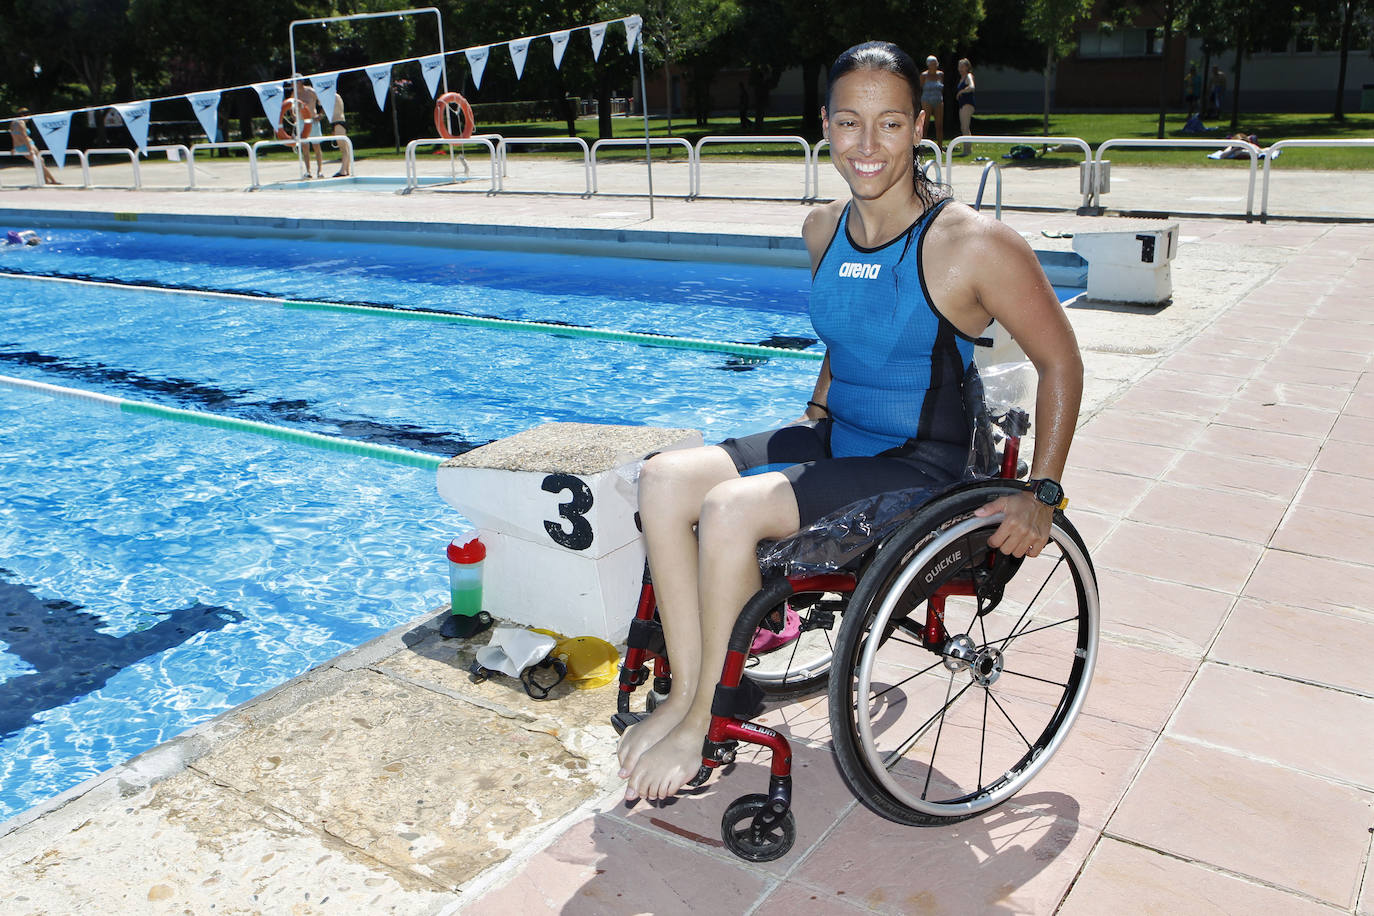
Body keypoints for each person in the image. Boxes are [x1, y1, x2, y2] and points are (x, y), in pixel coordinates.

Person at [617, 39, 1084, 803]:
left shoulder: (970, 244)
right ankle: (685, 695)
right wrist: (814, 414)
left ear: (920, 126)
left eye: (890, 125)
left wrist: (1046, 493)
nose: (868, 147)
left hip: (923, 462)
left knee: (732, 509)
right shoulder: (822, 229)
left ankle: (708, 717)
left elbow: (1061, 362)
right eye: (850, 124)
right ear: (826, 126)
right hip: (840, 434)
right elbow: (850, 331)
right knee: (666, 478)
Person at [8, 110, 59, 185]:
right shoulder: (21, 122)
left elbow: (13, 136)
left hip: (19, 146)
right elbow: (24, 136)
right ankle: (53, 181)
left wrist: (14, 147)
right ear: (23, 115)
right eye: (28, 116)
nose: (28, 118)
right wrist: (30, 149)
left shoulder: (12, 123)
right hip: (27, 144)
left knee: (39, 162)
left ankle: (46, 180)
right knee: (40, 161)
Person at [288, 76, 324, 178]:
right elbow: (289, 106)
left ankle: (320, 170)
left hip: (312, 120)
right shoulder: (294, 94)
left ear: (300, 82)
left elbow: (322, 102)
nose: (292, 85)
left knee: (316, 146)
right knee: (305, 147)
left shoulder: (311, 91)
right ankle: (308, 171)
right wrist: (293, 116)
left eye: (294, 82)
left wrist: (321, 114)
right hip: (301, 121)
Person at [919, 55, 945, 147]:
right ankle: (922, 145)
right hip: (927, 100)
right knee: (925, 124)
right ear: (928, 65)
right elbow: (921, 87)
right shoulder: (924, 76)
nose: (934, 65)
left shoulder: (940, 74)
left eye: (935, 63)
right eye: (931, 64)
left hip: (938, 100)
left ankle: (940, 147)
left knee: (939, 125)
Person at [326, 90, 351, 177]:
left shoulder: (335, 96)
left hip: (338, 122)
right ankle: (346, 169)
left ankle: (343, 170)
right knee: (344, 148)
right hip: (336, 122)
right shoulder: (334, 97)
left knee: (344, 149)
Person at [954, 58, 976, 156]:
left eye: (962, 66)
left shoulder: (968, 76)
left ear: (967, 67)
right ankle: (967, 149)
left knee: (965, 127)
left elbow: (972, 87)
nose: (960, 69)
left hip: (968, 104)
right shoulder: (961, 78)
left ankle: (967, 151)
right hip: (962, 104)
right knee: (964, 128)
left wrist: (961, 91)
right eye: (959, 66)